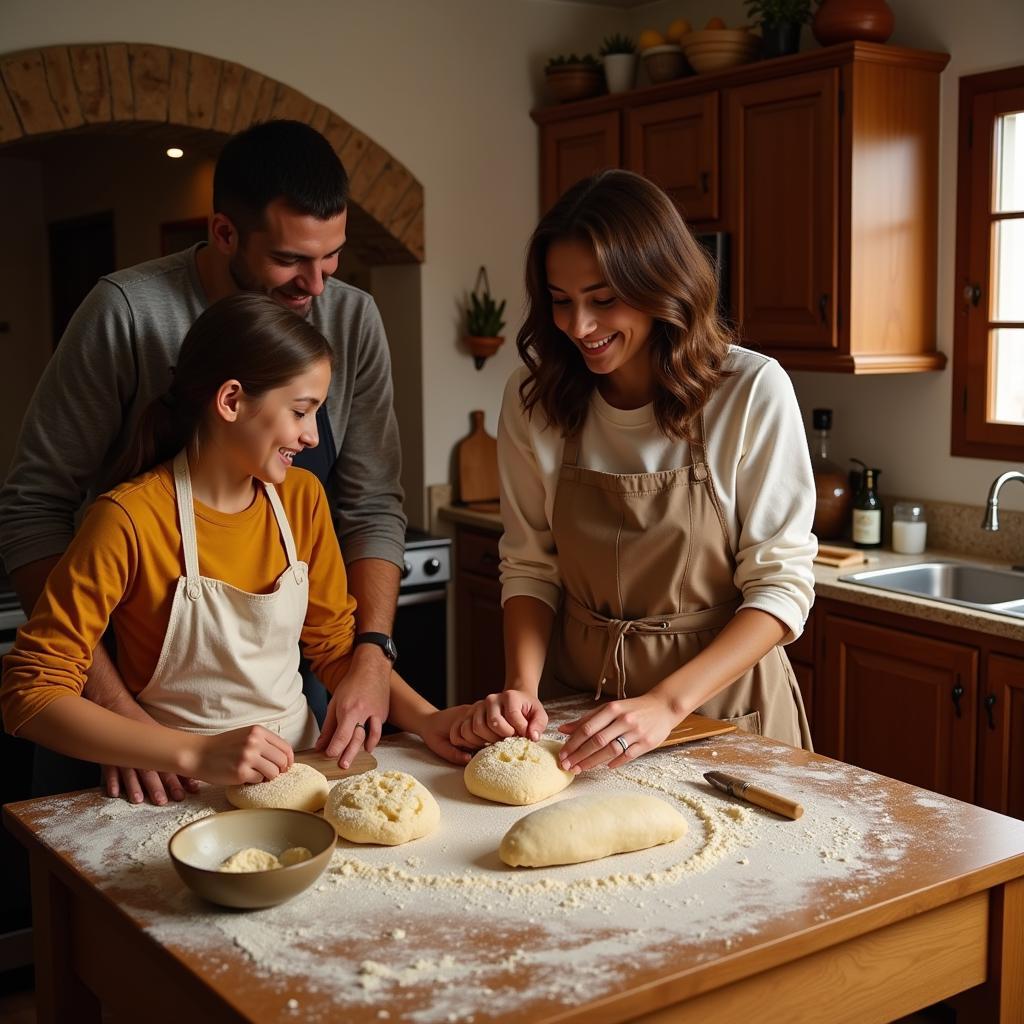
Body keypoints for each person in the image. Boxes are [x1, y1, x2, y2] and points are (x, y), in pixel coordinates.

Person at [0, 119, 408, 803]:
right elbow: (32, 512)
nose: (317, 287)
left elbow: (370, 506)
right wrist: (123, 717)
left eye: (331, 258)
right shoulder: (126, 313)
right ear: (223, 233)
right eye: (289, 261)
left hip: (276, 703)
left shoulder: (352, 320)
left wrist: (371, 651)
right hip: (118, 710)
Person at [0, 294, 469, 782]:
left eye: (317, 415)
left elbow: (334, 649)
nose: (312, 437)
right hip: (177, 790)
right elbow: (30, 693)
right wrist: (190, 755)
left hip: (301, 775)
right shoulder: (129, 518)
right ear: (230, 401)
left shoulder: (302, 499)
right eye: (301, 411)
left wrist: (428, 719)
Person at [449, 170, 816, 770]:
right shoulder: (533, 398)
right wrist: (522, 688)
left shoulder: (748, 391)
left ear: (659, 283)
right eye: (561, 302)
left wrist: (666, 703)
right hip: (579, 705)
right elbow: (530, 564)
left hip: (720, 708)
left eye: (603, 299)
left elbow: (781, 588)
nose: (579, 327)